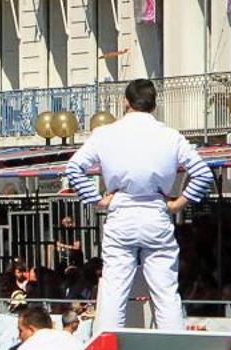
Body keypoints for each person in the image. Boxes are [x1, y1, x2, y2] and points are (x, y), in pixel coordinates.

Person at [64, 77, 216, 332]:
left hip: (121, 210)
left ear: (126, 102)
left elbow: (74, 168)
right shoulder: (171, 136)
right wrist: (178, 204)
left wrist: (98, 200)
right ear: (154, 104)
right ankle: (173, 349)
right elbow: (203, 174)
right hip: (156, 211)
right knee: (166, 292)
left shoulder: (105, 134)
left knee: (114, 291)